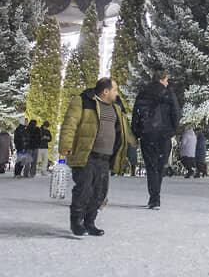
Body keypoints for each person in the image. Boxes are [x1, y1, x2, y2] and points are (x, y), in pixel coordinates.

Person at [60, 77, 131, 236]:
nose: (117, 93)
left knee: (100, 192)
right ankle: (77, 222)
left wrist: (123, 152)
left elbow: (122, 133)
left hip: (105, 158)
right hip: (87, 154)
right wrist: (65, 145)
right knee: (84, 190)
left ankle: (90, 221)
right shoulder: (84, 102)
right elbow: (69, 124)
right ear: (105, 91)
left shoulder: (117, 108)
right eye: (115, 90)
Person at [132, 70, 180, 209]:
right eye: (166, 80)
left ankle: (154, 198)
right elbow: (176, 113)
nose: (167, 82)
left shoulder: (144, 92)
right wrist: (172, 130)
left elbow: (136, 114)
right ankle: (155, 197)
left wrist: (136, 133)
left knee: (151, 167)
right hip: (163, 135)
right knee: (160, 167)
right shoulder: (168, 93)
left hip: (148, 135)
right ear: (162, 80)